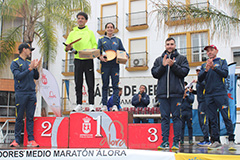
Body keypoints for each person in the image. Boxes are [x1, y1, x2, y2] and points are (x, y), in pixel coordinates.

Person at [151, 37, 189, 150]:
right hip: (163, 95)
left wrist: (173, 65)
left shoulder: (182, 59)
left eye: (172, 44)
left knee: (177, 117)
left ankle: (176, 142)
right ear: (165, 46)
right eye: (168, 44)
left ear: (175, 45)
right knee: (164, 118)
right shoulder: (159, 60)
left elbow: (184, 72)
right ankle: (165, 141)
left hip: (176, 94)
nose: (170, 46)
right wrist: (163, 66)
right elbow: (154, 73)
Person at [198, 45, 235, 150]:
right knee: (212, 119)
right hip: (209, 95)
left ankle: (231, 139)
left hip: (220, 94)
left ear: (216, 51)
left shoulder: (222, 61)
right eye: (208, 51)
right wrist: (206, 70)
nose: (209, 52)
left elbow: (225, 74)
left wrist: (214, 67)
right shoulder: (204, 65)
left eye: (211, 50)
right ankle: (216, 140)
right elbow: (200, 79)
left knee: (226, 116)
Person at [65, 12, 97, 112]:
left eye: (82, 18)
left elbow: (95, 46)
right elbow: (67, 47)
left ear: (86, 20)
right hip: (78, 59)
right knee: (78, 82)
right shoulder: (72, 33)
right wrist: (69, 48)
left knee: (90, 82)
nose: (80, 20)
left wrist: (90, 51)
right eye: (78, 18)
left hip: (88, 60)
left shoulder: (90, 32)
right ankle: (79, 104)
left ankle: (91, 104)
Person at [10, 43, 40, 147]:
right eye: (29, 49)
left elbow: (36, 77)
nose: (30, 51)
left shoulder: (29, 63)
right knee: (19, 117)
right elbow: (18, 76)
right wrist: (30, 69)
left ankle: (31, 139)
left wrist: (35, 68)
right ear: (23, 49)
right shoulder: (15, 63)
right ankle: (17, 140)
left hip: (31, 93)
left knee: (30, 117)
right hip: (21, 93)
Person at [97, 22, 128, 111]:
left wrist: (127, 56)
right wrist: (100, 57)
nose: (110, 29)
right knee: (105, 85)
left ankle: (115, 105)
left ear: (113, 29)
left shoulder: (117, 40)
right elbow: (98, 52)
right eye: (108, 27)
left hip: (115, 65)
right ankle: (104, 105)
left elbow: (123, 50)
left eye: (111, 27)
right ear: (106, 29)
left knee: (115, 85)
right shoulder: (101, 40)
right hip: (105, 65)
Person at [193, 66, 211, 147]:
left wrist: (198, 82)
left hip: (204, 102)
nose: (198, 72)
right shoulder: (199, 80)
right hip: (200, 102)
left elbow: (206, 86)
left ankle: (207, 139)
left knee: (204, 121)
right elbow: (199, 92)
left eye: (199, 70)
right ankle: (206, 138)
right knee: (201, 121)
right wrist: (193, 91)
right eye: (197, 70)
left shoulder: (203, 79)